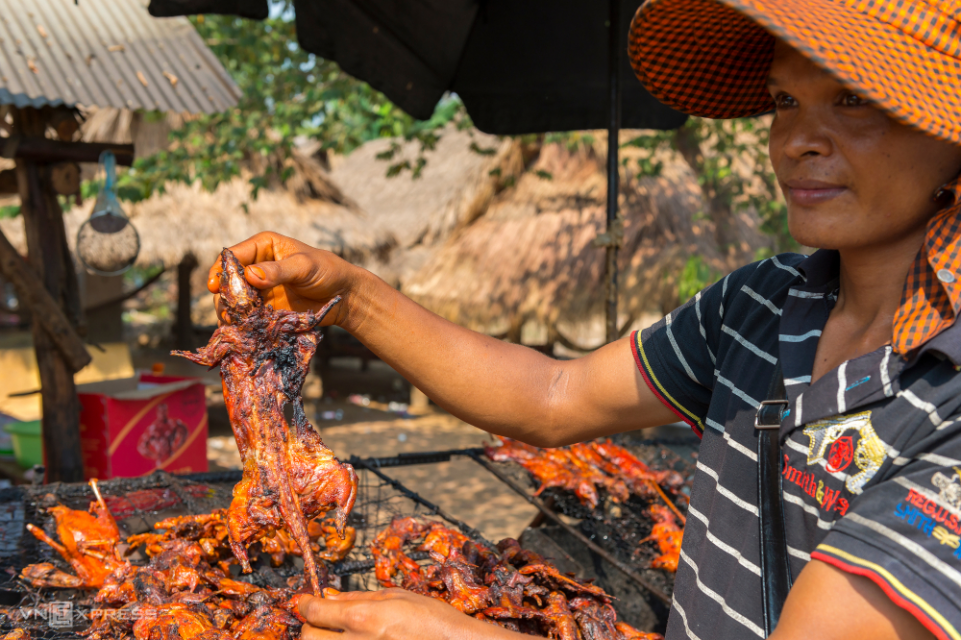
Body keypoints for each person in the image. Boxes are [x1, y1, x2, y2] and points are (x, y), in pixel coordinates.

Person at [208, 1, 961, 638]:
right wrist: (351, 296)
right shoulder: (759, 304)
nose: (795, 141)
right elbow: (552, 396)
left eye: (852, 100)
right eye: (784, 102)